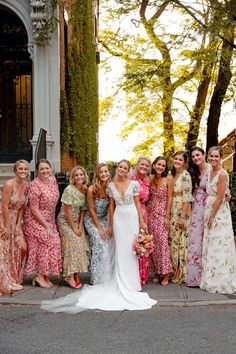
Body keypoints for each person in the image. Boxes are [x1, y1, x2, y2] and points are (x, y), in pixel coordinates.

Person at [41, 159, 156, 313]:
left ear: (127, 170)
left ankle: (132, 283)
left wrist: (141, 222)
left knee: (131, 250)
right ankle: (101, 278)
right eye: (120, 167)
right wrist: (107, 226)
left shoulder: (130, 184)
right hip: (114, 219)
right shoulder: (105, 188)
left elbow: (135, 204)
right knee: (118, 249)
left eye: (124, 168)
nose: (121, 169)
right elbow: (102, 209)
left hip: (131, 218)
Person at [200, 146, 236, 294]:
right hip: (209, 208)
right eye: (211, 156)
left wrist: (212, 217)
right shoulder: (209, 171)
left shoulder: (222, 174)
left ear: (220, 158)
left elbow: (220, 197)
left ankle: (221, 280)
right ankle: (211, 276)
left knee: (219, 243)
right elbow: (224, 192)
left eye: (216, 156)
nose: (213, 159)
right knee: (211, 243)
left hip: (218, 213)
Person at [23, 159, 62, 288]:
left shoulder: (53, 180)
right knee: (45, 238)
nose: (45, 171)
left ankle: (45, 274)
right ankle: (39, 275)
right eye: (42, 169)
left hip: (49, 220)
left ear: (50, 169)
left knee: (55, 241)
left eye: (47, 168)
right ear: (37, 171)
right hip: (34, 220)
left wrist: (51, 224)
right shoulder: (34, 185)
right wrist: (46, 226)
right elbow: (33, 209)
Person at [57, 166, 90, 289]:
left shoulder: (85, 189)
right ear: (72, 178)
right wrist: (74, 228)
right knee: (73, 244)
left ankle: (77, 273)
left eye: (81, 174)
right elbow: (67, 212)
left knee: (81, 242)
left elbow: (83, 209)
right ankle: (69, 275)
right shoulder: (69, 190)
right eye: (76, 175)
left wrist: (80, 225)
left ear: (84, 175)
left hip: (77, 221)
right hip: (65, 222)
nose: (79, 177)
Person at [0, 160, 29, 295]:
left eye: (25, 169)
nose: (23, 171)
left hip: (16, 219)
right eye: (20, 169)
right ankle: (4, 279)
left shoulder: (26, 186)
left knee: (22, 247)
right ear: (15, 170)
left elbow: (22, 207)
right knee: (5, 251)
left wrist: (18, 225)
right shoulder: (9, 184)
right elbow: (4, 206)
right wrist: (6, 226)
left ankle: (14, 275)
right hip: (4, 218)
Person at [84, 163, 113, 285]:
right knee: (99, 240)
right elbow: (91, 210)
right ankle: (96, 277)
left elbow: (111, 207)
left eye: (106, 171)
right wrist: (100, 228)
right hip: (92, 219)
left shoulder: (110, 188)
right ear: (97, 174)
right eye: (101, 172)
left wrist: (110, 225)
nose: (104, 174)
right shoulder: (92, 189)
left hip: (105, 219)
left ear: (109, 173)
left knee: (109, 241)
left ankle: (107, 275)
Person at [185, 146, 210, 287]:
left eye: (198, 155)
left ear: (203, 154)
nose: (196, 158)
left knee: (208, 239)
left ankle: (208, 275)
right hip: (196, 209)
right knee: (195, 241)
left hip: (209, 207)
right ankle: (194, 277)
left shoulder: (212, 169)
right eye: (193, 156)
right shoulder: (192, 172)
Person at [147, 156, 173, 286]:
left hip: (162, 213)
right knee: (153, 243)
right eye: (158, 164)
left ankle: (166, 274)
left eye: (163, 165)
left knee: (162, 244)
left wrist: (167, 217)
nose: (160, 167)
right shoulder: (150, 179)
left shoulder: (168, 179)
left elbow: (169, 198)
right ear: (154, 164)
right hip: (150, 213)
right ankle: (157, 273)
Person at [169, 151, 193, 284]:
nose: (177, 161)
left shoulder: (185, 176)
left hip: (181, 211)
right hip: (172, 210)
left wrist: (182, 217)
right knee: (173, 241)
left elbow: (187, 198)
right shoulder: (172, 175)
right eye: (175, 159)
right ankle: (173, 269)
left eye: (180, 159)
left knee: (180, 242)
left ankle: (180, 272)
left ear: (184, 162)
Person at [130, 156, 151, 224]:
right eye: (142, 164)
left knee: (142, 234)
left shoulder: (148, 180)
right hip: (131, 212)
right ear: (137, 164)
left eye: (147, 166)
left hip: (143, 213)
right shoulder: (129, 177)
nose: (144, 167)